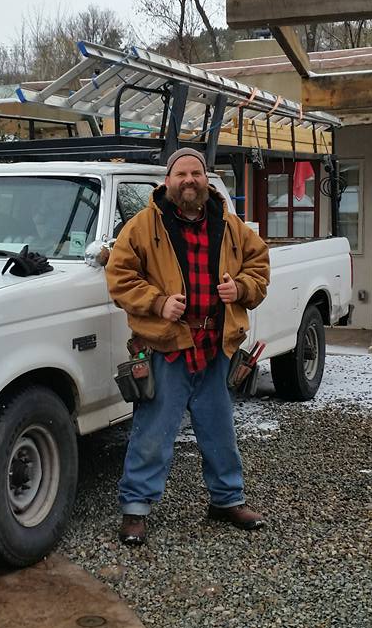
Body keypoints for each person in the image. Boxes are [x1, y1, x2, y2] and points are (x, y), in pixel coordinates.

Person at [105, 147, 270, 545]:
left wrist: (240, 288)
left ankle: (227, 500)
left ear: (206, 180)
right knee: (153, 432)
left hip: (215, 346)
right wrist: (158, 302)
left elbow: (260, 266)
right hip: (166, 347)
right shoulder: (142, 226)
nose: (189, 180)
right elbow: (119, 276)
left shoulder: (230, 225)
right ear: (167, 181)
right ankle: (135, 509)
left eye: (196, 173)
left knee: (219, 430)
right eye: (181, 174)